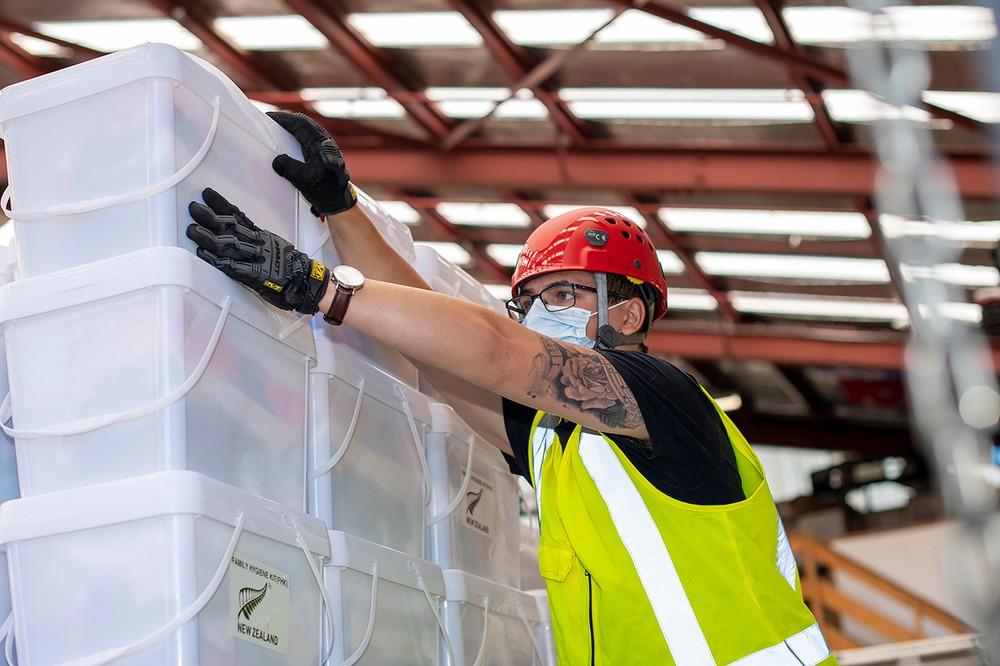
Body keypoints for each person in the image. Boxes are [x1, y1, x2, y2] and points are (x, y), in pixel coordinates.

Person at [186, 111, 837, 665]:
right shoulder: (559, 445)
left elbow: (498, 352)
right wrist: (340, 207)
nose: (538, 312)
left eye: (564, 294)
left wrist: (321, 287)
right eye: (528, 302)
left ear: (629, 314)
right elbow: (444, 357)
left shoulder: (663, 399)